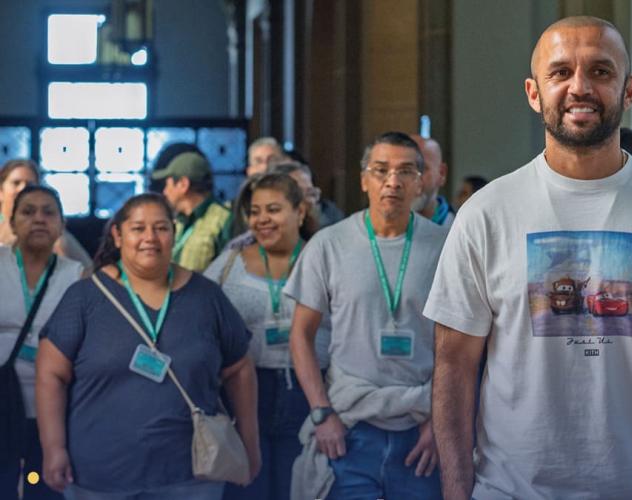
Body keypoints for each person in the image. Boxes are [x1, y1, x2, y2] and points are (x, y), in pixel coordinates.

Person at [425, 16, 632, 500]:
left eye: (600, 71)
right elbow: (454, 367)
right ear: (533, 93)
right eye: (560, 73)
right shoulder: (486, 215)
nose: (580, 87)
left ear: (628, 89)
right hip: (511, 491)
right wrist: (455, 493)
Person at [35, 193, 260, 500]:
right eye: (138, 228)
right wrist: (53, 448)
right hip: (100, 476)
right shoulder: (84, 298)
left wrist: (249, 444)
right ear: (118, 235)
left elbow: (239, 369)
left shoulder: (207, 297)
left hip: (192, 475)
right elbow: (50, 375)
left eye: (161, 228)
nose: (149, 238)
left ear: (174, 233)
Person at [285, 131, 447, 500]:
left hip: (420, 426)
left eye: (406, 171)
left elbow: (460, 345)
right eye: (381, 170)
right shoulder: (329, 245)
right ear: (363, 179)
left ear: (421, 180)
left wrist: (441, 421)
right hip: (350, 424)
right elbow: (301, 336)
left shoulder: (444, 247)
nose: (393, 181)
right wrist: (321, 414)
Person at [205, 173, 331, 500]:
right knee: (247, 487)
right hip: (246, 393)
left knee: (302, 488)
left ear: (300, 212)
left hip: (312, 393)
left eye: (273, 209)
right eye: (255, 211)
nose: (262, 219)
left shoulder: (326, 259)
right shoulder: (229, 262)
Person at [0, 186, 83, 500]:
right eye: (28, 211)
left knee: (44, 487)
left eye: (49, 212)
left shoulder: (76, 276)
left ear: (61, 226)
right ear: (11, 221)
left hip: (54, 406)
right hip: (2, 400)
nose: (38, 219)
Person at [0, 160, 92, 268]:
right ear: (1, 191)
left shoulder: (52, 231)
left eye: (30, 184)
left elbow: (88, 271)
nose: (22, 188)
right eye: (16, 183)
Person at [152, 152, 232, 271]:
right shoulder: (179, 221)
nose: (165, 192)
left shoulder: (224, 219)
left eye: (168, 185)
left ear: (183, 184)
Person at [410, 135, 454, 228]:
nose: (412, 179)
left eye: (421, 168)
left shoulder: (463, 226)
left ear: (442, 173)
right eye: (404, 170)